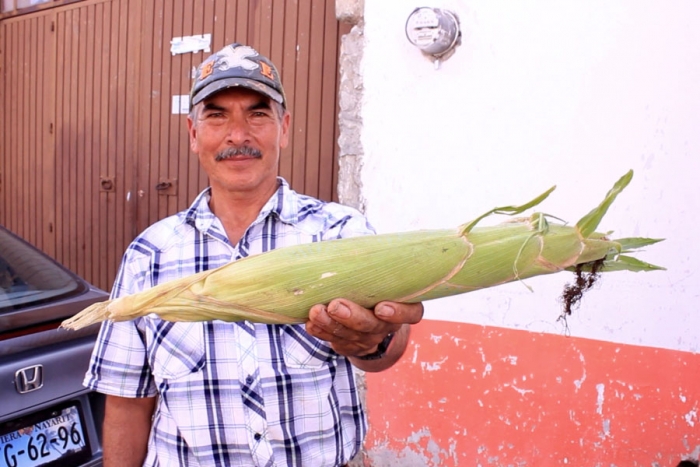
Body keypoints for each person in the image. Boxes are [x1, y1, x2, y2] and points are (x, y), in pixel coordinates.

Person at [84, 42, 424, 467]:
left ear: (283, 127)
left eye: (257, 113)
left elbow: (385, 350)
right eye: (217, 115)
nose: (238, 135)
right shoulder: (149, 255)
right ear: (194, 135)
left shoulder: (339, 234)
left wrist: (374, 340)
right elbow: (128, 403)